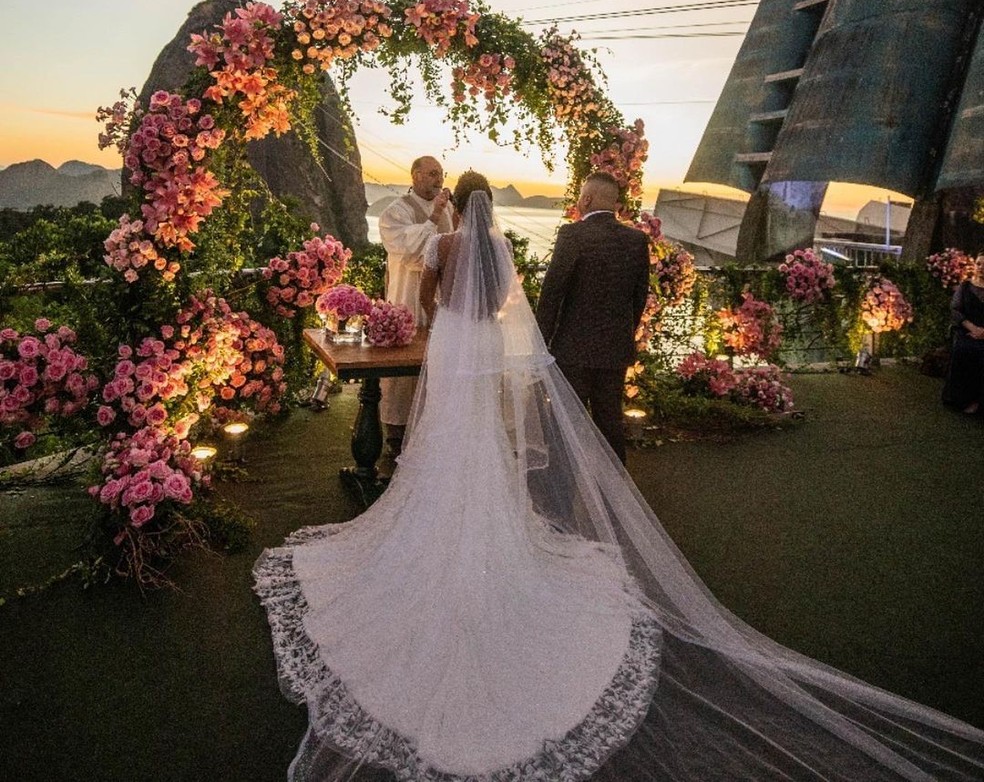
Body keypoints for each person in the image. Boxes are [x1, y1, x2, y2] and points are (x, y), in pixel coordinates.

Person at [255, 179, 984, 781]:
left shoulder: (444, 243)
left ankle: (428, 504)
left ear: (455, 203)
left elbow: (443, 299)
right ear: (492, 208)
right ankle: (538, 514)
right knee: (489, 435)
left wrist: (454, 313)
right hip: (496, 344)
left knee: (441, 430)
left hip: (451, 340)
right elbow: (513, 302)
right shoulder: (515, 246)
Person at [535, 170, 650, 462]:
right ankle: (615, 499)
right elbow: (638, 300)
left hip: (573, 350)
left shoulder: (573, 235)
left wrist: (540, 344)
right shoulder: (636, 241)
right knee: (610, 423)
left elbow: (552, 294)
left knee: (565, 425)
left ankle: (562, 496)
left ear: (585, 199)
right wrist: (621, 334)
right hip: (614, 350)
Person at [376, 155, 453, 455]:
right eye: (433, 173)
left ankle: (433, 430)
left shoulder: (448, 211)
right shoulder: (395, 212)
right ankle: (396, 434)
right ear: (415, 175)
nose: (439, 179)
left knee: (437, 364)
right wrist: (433, 218)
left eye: (441, 174)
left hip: (440, 298)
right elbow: (409, 252)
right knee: (403, 372)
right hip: (407, 298)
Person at [942, 251, 984, 413]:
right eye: (979, 264)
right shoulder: (965, 287)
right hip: (966, 330)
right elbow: (955, 311)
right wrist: (972, 328)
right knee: (963, 349)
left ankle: (978, 401)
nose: (981, 268)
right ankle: (959, 399)